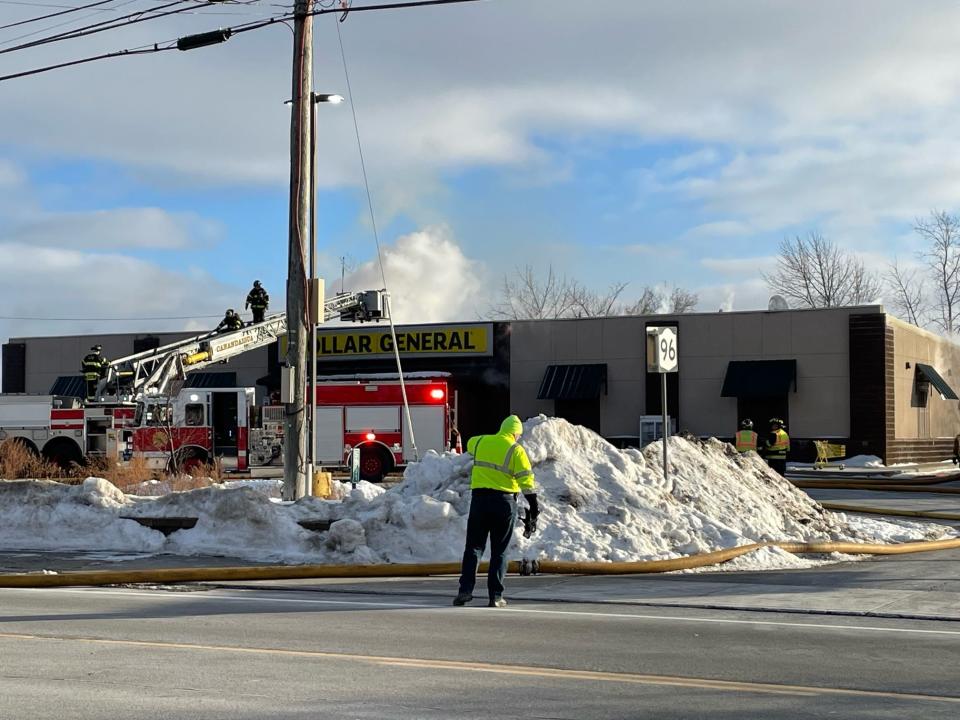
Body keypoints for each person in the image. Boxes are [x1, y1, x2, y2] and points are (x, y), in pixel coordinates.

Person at [454, 415, 538, 608]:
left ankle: (465, 591)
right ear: (516, 433)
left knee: (473, 548)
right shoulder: (516, 450)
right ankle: (496, 596)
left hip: (479, 501)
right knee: (499, 551)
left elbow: (469, 443)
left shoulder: (481, 441)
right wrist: (534, 508)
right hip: (504, 502)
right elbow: (527, 482)